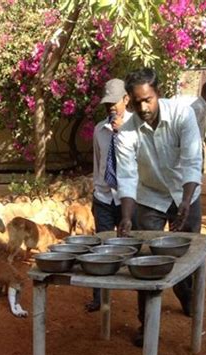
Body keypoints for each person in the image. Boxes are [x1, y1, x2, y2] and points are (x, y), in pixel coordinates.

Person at [116, 68, 203, 347]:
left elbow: (192, 162)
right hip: (150, 198)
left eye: (148, 100)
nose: (144, 107)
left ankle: (187, 296)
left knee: (188, 257)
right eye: (138, 101)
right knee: (148, 263)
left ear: (158, 94)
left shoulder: (183, 115)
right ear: (129, 100)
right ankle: (146, 323)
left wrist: (186, 202)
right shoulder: (126, 131)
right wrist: (126, 217)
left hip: (186, 193)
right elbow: (127, 176)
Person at [85, 78, 132, 312]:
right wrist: (97, 188)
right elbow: (97, 161)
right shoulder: (99, 130)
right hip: (104, 197)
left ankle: (136, 294)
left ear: (126, 99)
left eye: (114, 102)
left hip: (127, 199)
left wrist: (122, 132)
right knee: (102, 246)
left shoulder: (137, 128)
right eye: (106, 104)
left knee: (127, 246)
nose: (110, 108)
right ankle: (100, 296)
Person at [191, 80, 206, 153]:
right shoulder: (198, 107)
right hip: (192, 146)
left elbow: (199, 128)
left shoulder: (204, 106)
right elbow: (191, 128)